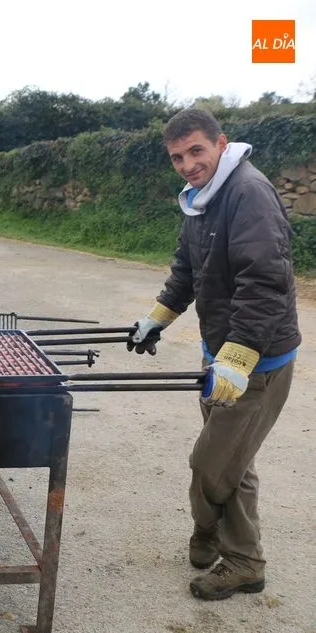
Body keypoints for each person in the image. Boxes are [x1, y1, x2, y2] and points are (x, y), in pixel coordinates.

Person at [127, 108, 299, 601]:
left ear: (221, 144)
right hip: (219, 354)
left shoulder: (248, 193)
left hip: (256, 364)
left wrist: (240, 357)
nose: (186, 164)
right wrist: (158, 316)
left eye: (195, 151)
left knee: (211, 464)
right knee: (233, 463)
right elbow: (187, 268)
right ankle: (242, 556)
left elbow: (264, 282)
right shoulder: (203, 198)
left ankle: (217, 540)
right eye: (177, 157)